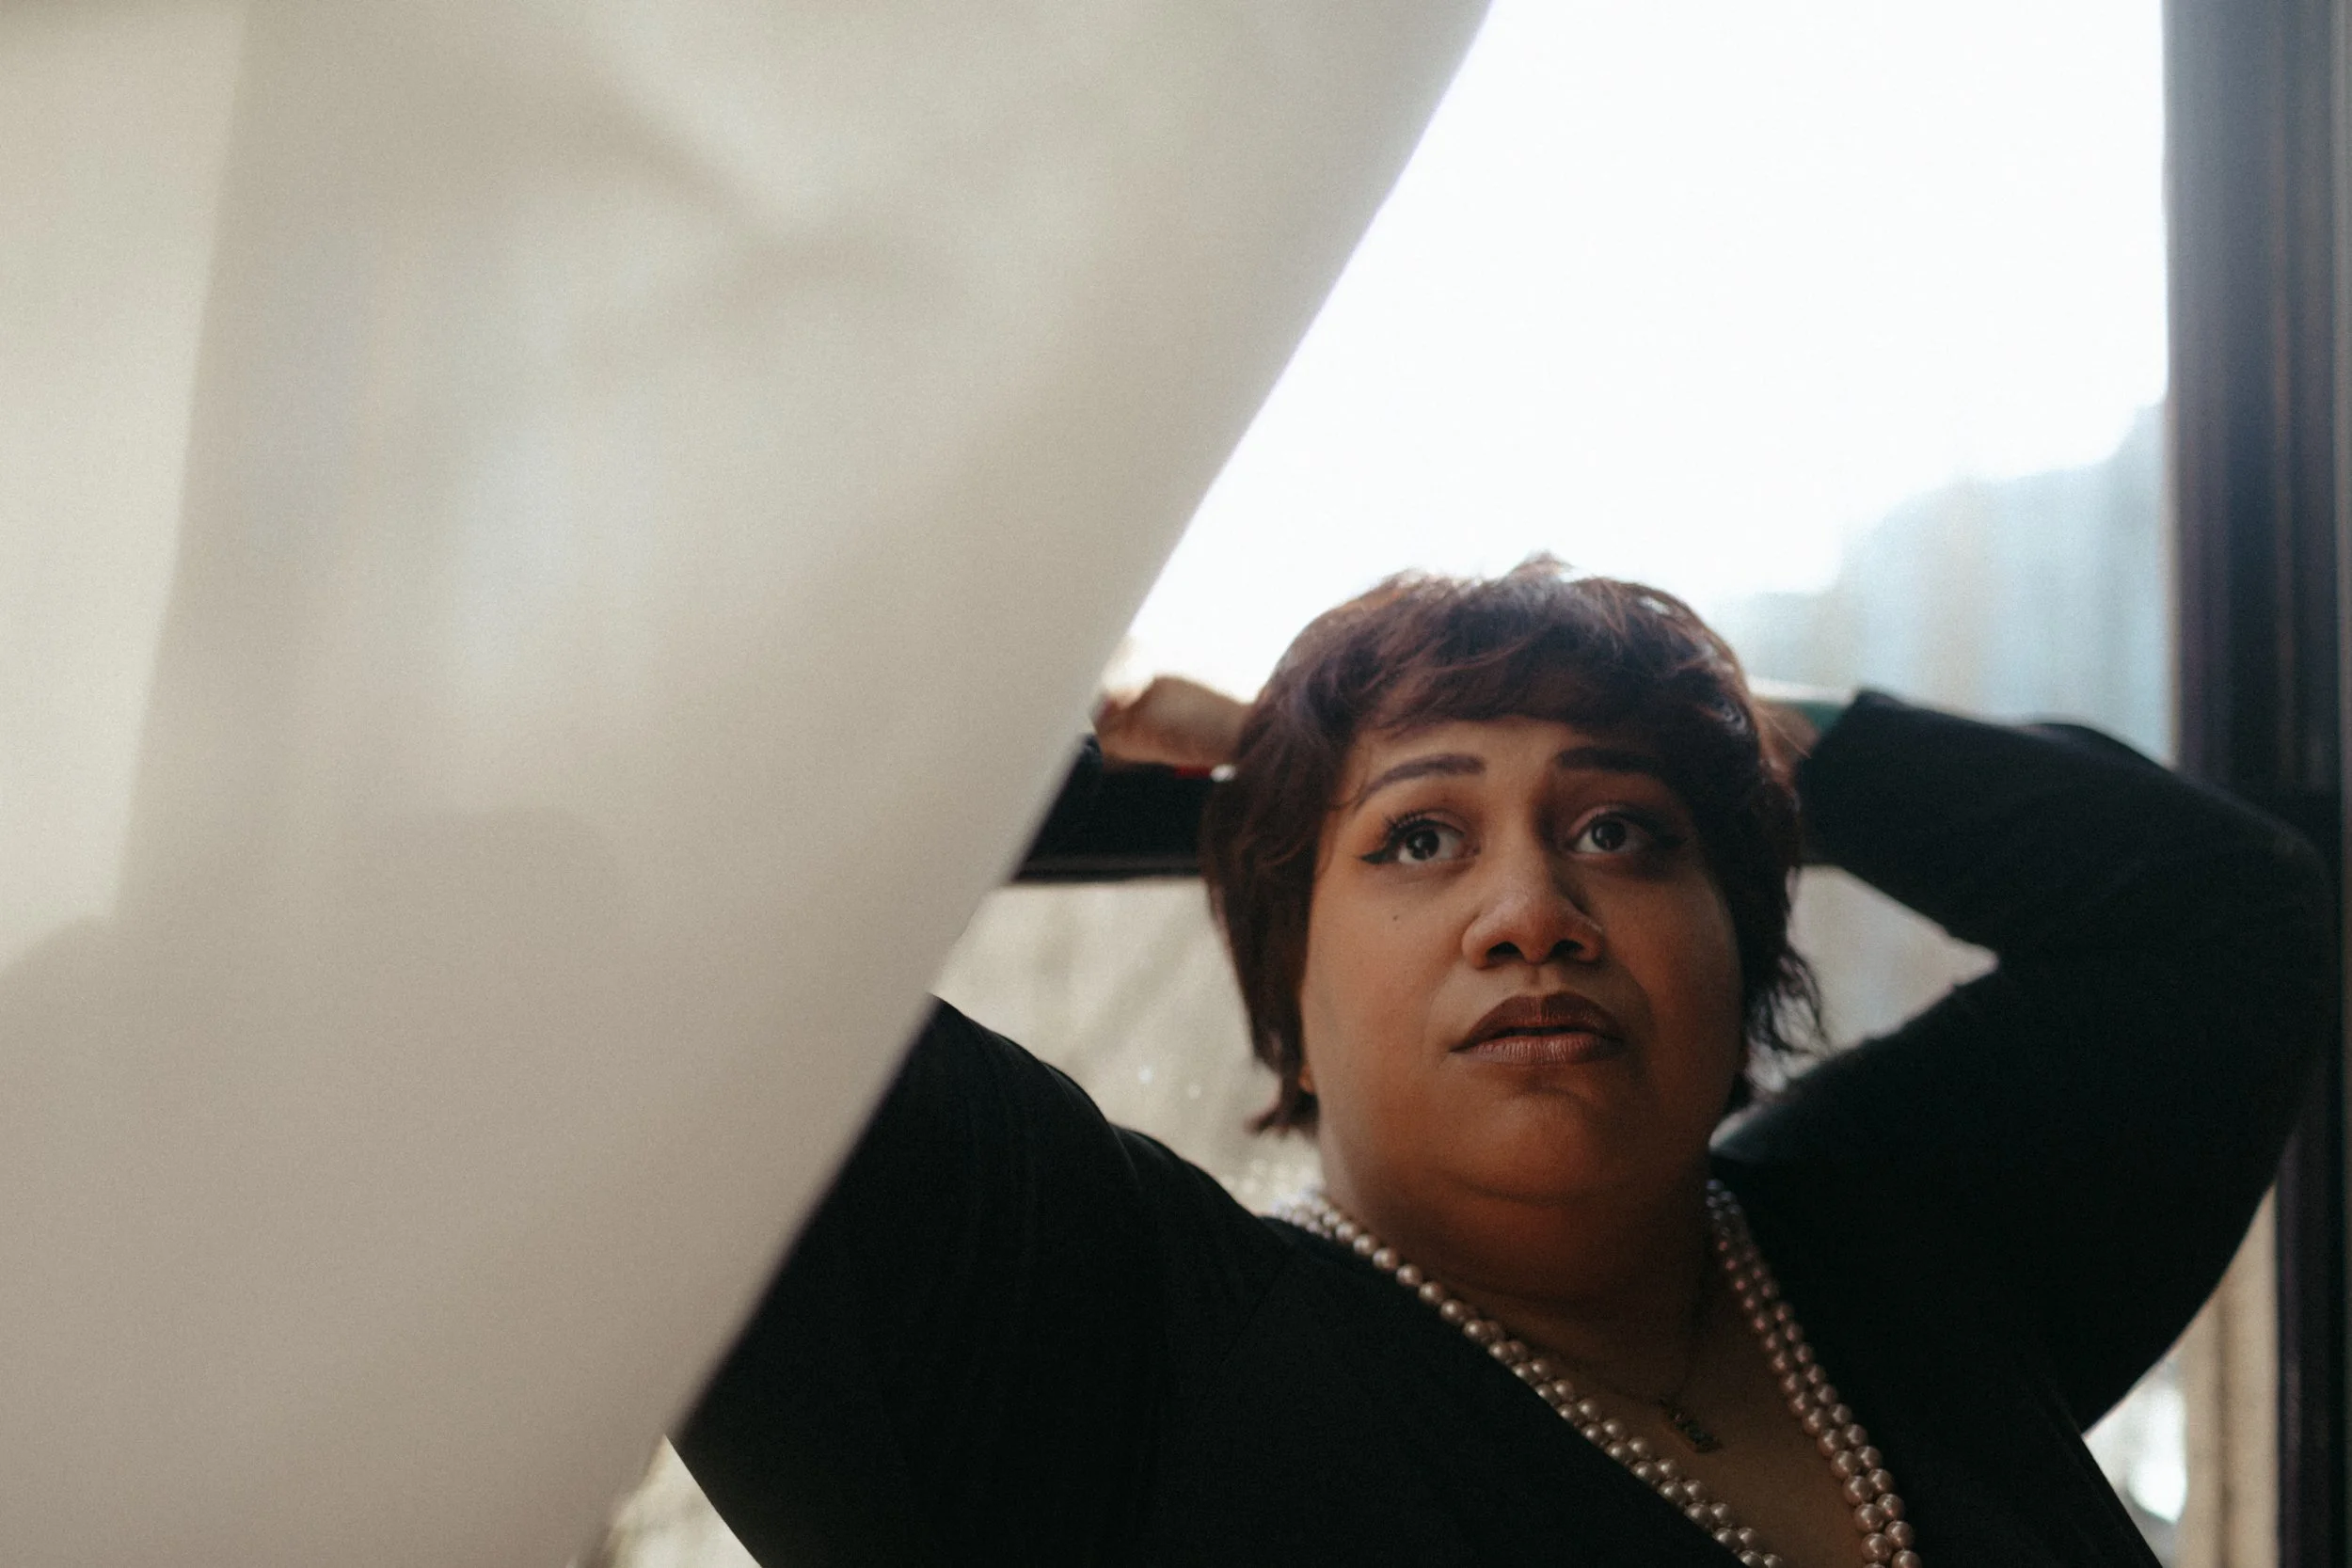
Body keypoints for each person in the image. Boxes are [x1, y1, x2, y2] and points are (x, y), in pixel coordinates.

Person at [676, 560, 2332, 1566]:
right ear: (1284, 975)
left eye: (1623, 825)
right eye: (1416, 838)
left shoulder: (1899, 1239)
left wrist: (1737, 728)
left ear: (1740, 942)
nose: (1533, 909)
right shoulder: (1131, 1359)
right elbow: (663, 935)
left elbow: (2218, 904)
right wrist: (1187, 780)